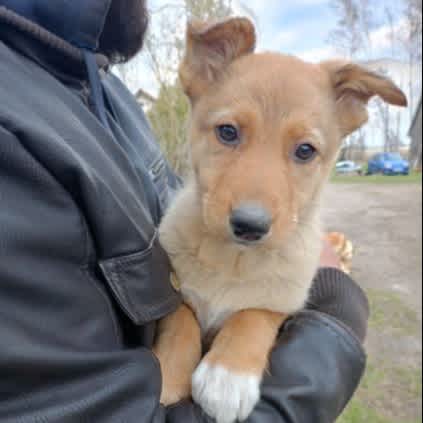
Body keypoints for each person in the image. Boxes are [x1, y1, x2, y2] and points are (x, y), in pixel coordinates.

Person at [0, 1, 369, 421]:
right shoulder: (15, 120)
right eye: (228, 133)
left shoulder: (104, 85)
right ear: (203, 68)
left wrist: (256, 326)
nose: (253, 207)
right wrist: (336, 314)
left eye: (304, 151)